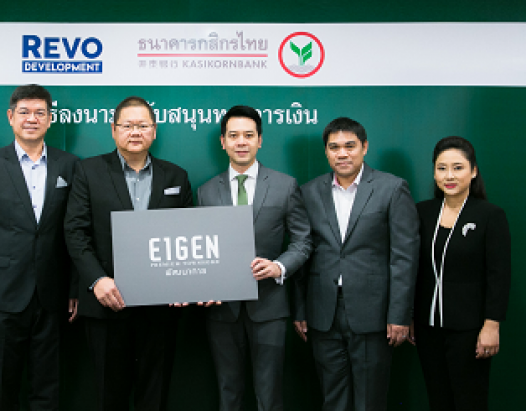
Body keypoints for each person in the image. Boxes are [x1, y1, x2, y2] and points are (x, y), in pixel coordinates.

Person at [64, 96, 193, 411]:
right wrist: (97, 280)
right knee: (110, 397)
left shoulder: (176, 176)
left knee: (155, 396)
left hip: (160, 308)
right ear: (113, 130)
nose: (135, 132)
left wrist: (185, 283)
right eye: (128, 125)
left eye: (143, 125)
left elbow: (187, 235)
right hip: (107, 304)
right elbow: (75, 231)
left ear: (154, 131)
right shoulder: (88, 171)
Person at [292, 117, 419, 411]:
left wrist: (400, 314)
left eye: (350, 146)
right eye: (334, 147)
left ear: (364, 147)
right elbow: (302, 252)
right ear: (326, 152)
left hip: (374, 314)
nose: (342, 153)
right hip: (323, 313)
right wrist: (300, 309)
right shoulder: (309, 191)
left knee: (369, 400)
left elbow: (404, 256)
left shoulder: (392, 188)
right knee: (332, 398)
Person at [0, 84, 79, 411]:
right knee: (5, 382)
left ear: (50, 119)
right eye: (25, 112)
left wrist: (74, 287)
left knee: (48, 383)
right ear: (10, 117)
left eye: (40, 113)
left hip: (53, 293)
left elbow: (74, 232)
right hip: (3, 295)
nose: (32, 119)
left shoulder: (69, 164)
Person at [195, 105, 312, 411]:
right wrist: (203, 284)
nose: (241, 142)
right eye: (234, 136)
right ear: (223, 141)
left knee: (269, 394)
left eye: (248, 135)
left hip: (269, 306)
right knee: (228, 392)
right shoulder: (206, 192)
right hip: (222, 310)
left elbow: (302, 241)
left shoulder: (285, 185)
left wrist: (279, 266)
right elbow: (201, 247)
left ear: (260, 140)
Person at [409, 136, 510, 411]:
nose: (449, 176)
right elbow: (413, 268)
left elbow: (499, 275)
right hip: (427, 328)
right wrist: (411, 316)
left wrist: (492, 326)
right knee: (438, 399)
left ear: (473, 171)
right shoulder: (422, 212)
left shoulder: (490, 215)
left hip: (471, 329)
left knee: (469, 401)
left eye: (458, 167)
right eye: (442, 168)